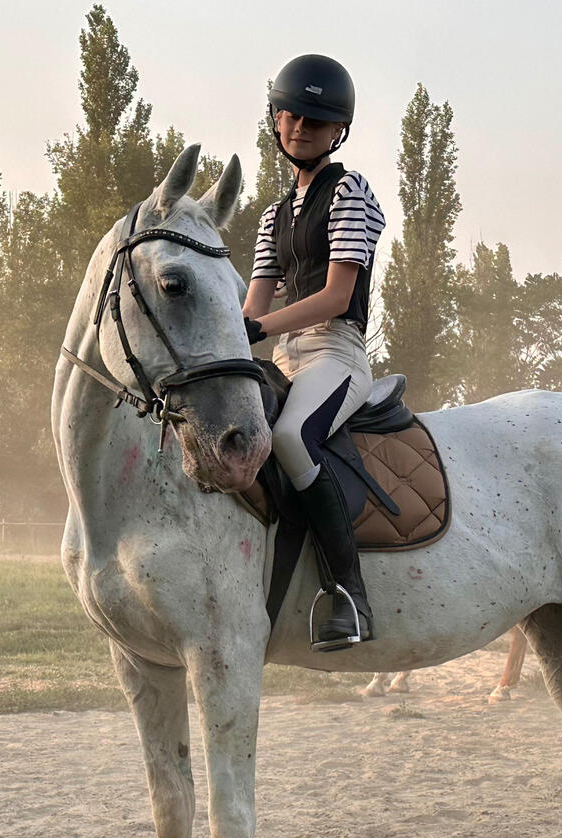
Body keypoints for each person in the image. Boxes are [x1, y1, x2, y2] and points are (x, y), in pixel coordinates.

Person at [242, 54, 385, 648]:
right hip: (283, 359)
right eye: (292, 114)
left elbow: (335, 295)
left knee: (292, 437)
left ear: (337, 131)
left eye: (316, 121)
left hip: (336, 354)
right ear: (276, 119)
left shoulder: (351, 191)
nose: (301, 127)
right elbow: (252, 309)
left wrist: (263, 325)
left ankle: (350, 596)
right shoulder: (273, 215)